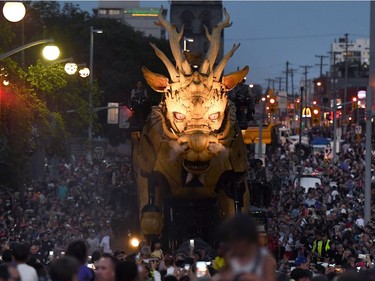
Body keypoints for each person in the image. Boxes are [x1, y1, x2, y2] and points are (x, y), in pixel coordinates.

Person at [213, 214, 276, 281]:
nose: (234, 244)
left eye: (237, 240)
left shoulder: (264, 258)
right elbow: (224, 274)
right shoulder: (231, 255)